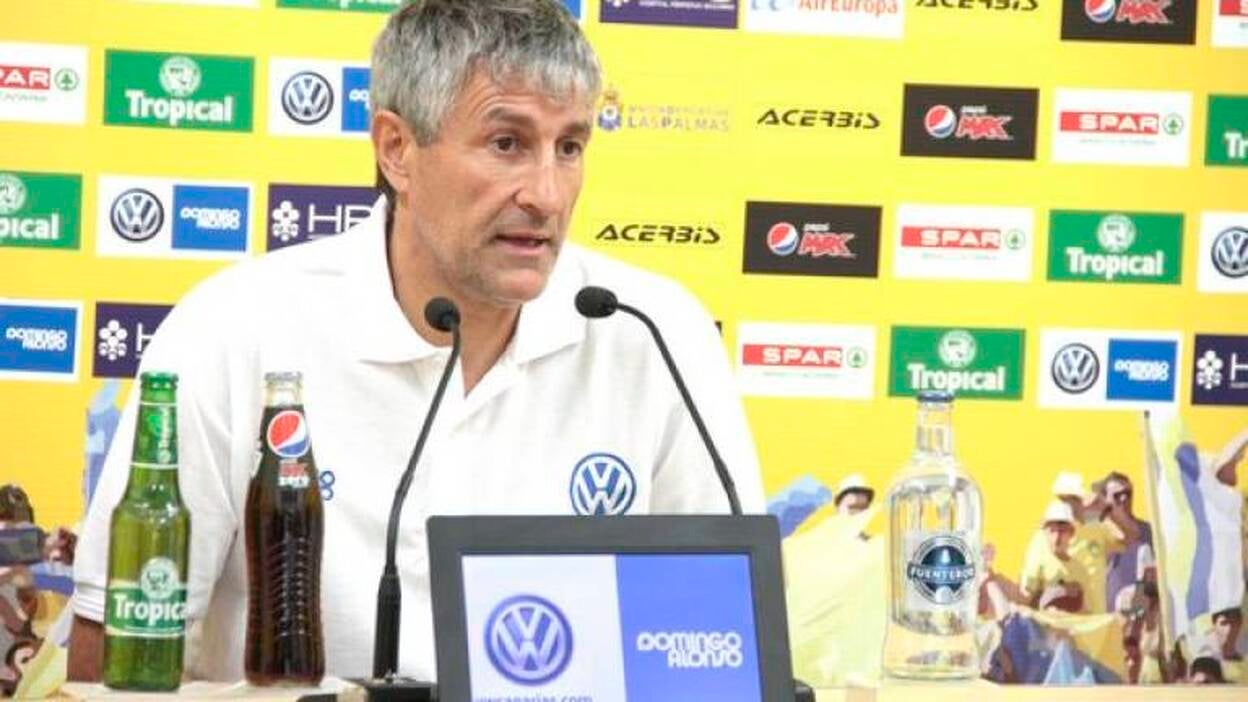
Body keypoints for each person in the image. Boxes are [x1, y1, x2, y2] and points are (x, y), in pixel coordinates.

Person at [68, 0, 765, 683]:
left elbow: (718, 641)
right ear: (396, 150)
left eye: (570, 147)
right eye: (507, 144)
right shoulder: (235, 329)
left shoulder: (654, 331)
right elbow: (112, 659)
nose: (548, 196)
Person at [1020, 471, 1126, 614]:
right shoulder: (1041, 538)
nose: (1069, 505)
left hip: (1094, 621)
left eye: (1074, 499)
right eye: (1064, 500)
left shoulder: (1097, 528)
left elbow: (1126, 538)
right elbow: (1028, 591)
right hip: (1057, 623)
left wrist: (1106, 507)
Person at [1019, 501, 1092, 613]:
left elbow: (1085, 611)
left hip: (1071, 623)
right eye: (1052, 531)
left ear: (1071, 533)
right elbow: (1025, 599)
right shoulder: (1038, 563)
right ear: (1045, 533)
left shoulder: (1080, 570)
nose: (1057, 537)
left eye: (1062, 531)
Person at [1098, 472, 1152, 612]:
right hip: (1109, 615)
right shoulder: (1098, 533)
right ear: (1105, 500)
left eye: (1128, 493)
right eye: (1117, 495)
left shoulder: (1147, 531)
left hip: (1141, 614)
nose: (1124, 498)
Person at [1211, 608, 1243, 684]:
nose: (1229, 629)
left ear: (1239, 626)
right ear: (1214, 626)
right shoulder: (1203, 663)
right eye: (1224, 623)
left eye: (1233, 623)